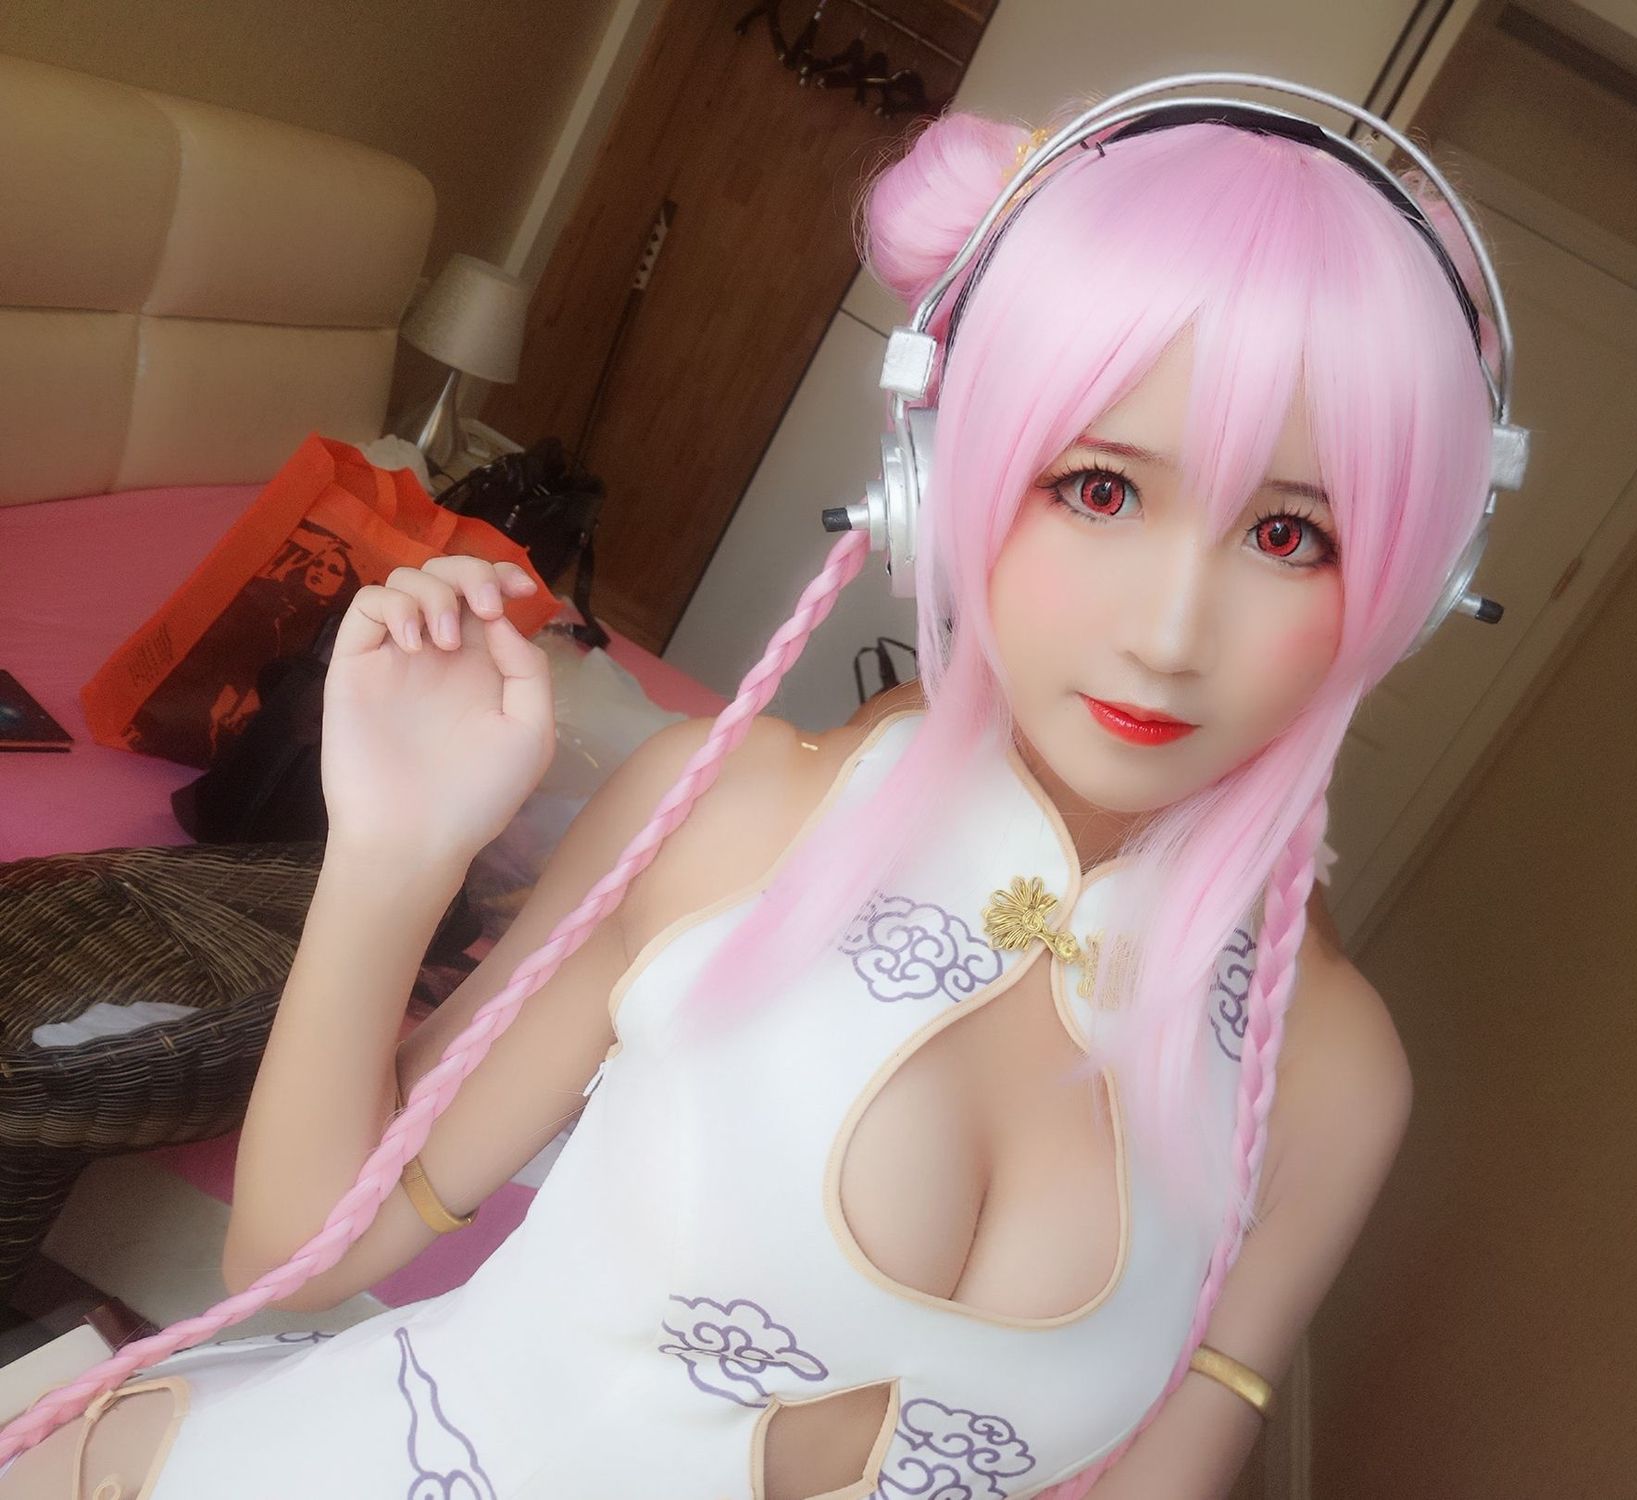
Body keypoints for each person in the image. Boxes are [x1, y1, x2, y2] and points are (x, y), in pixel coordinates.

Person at [0, 77, 1507, 1499]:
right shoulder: (732, 815)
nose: (1170, 634)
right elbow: (302, 1251)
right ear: (944, 479)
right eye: (1099, 488)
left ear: (1416, 581)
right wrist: (394, 855)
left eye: (1290, 534)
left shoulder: (1330, 1075)